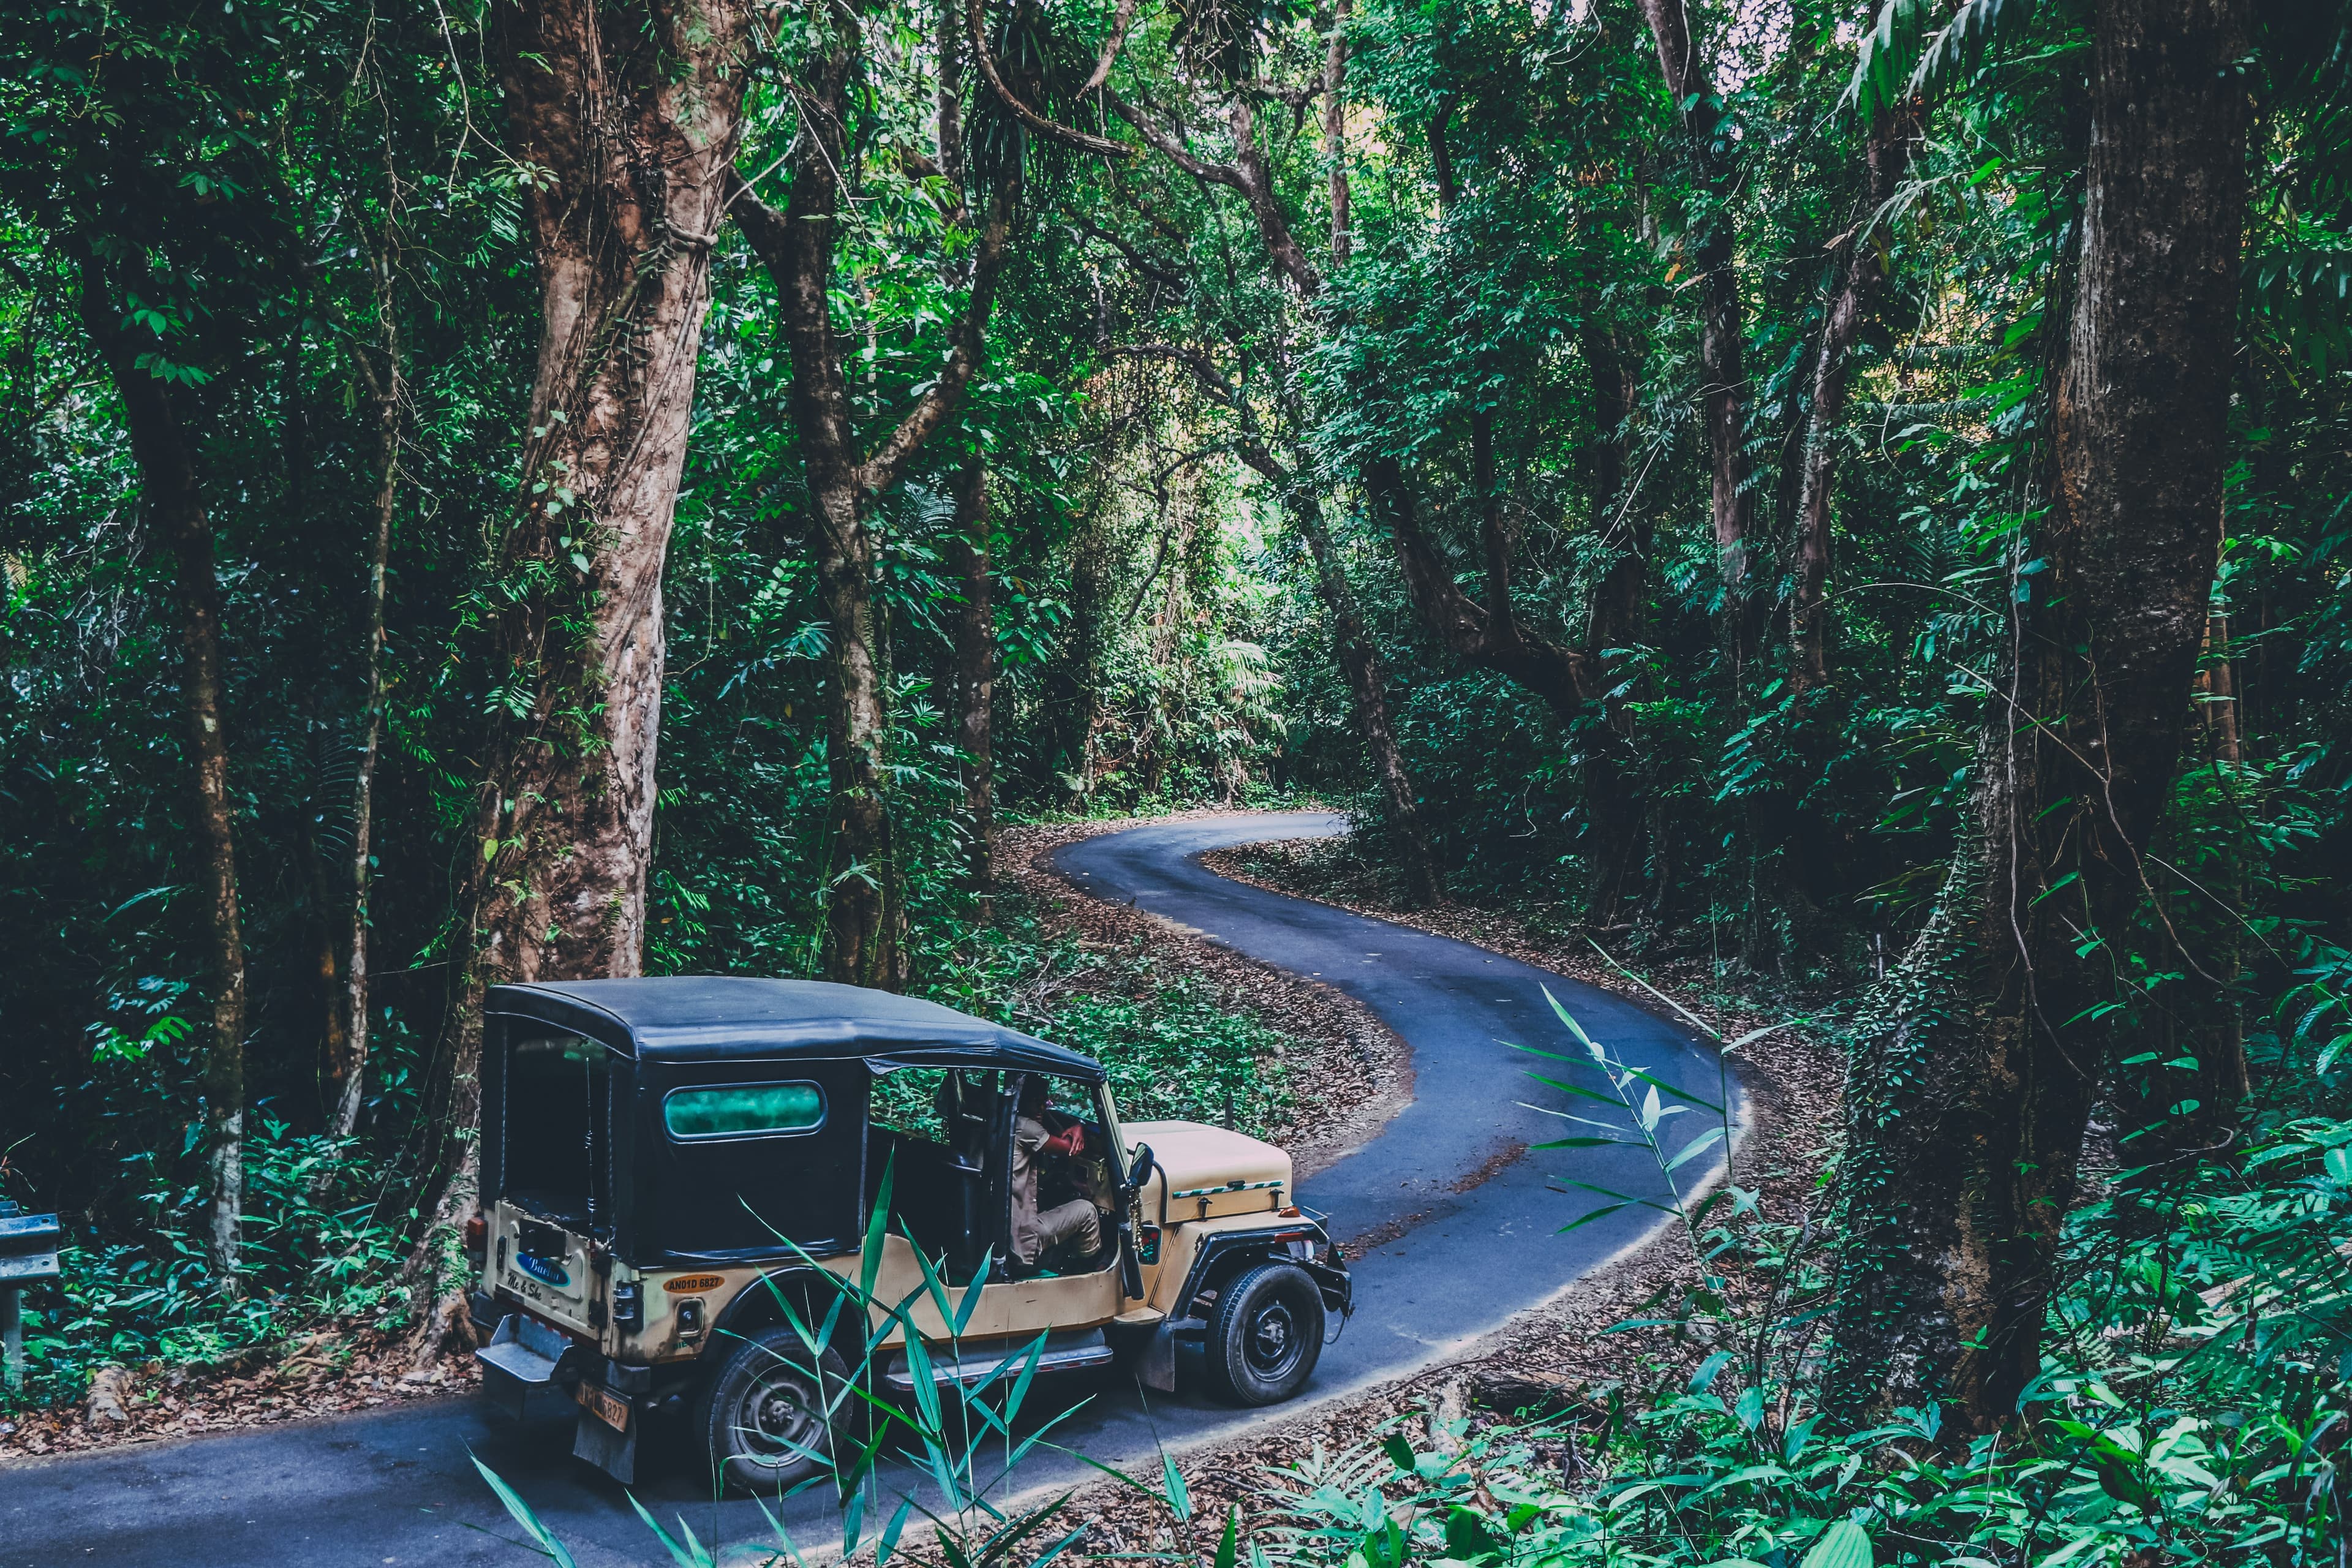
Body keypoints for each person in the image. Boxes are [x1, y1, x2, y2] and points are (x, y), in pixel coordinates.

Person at [1011, 1077, 1102, 1270]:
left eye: (1044, 1101)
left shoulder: (1000, 1120)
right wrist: (1079, 1126)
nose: (1042, 1107)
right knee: (1087, 1211)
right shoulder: (1025, 1127)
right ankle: (1086, 1272)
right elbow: (1071, 1149)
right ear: (1020, 1100)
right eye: (1035, 1101)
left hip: (999, 1224)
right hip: (1022, 1239)